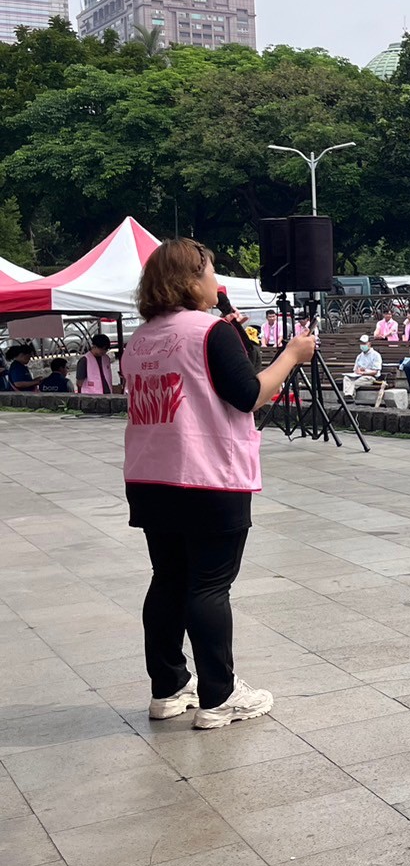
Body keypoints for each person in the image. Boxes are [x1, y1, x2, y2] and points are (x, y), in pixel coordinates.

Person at [124, 237, 317, 729]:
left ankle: (168, 687)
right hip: (207, 476)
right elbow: (248, 395)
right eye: (210, 272)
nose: (217, 282)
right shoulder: (209, 332)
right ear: (191, 280)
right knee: (210, 585)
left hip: (150, 476)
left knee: (168, 579)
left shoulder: (140, 339)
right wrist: (292, 355)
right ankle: (220, 695)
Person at [342, 335, 383, 401]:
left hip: (370, 377)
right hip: (358, 376)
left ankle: (348, 396)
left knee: (353, 383)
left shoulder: (376, 355)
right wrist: (357, 371)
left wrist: (364, 372)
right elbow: (355, 369)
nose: (362, 345)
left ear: (369, 344)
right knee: (346, 378)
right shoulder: (359, 356)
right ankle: (348, 396)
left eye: (364, 343)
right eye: (361, 343)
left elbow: (375, 372)